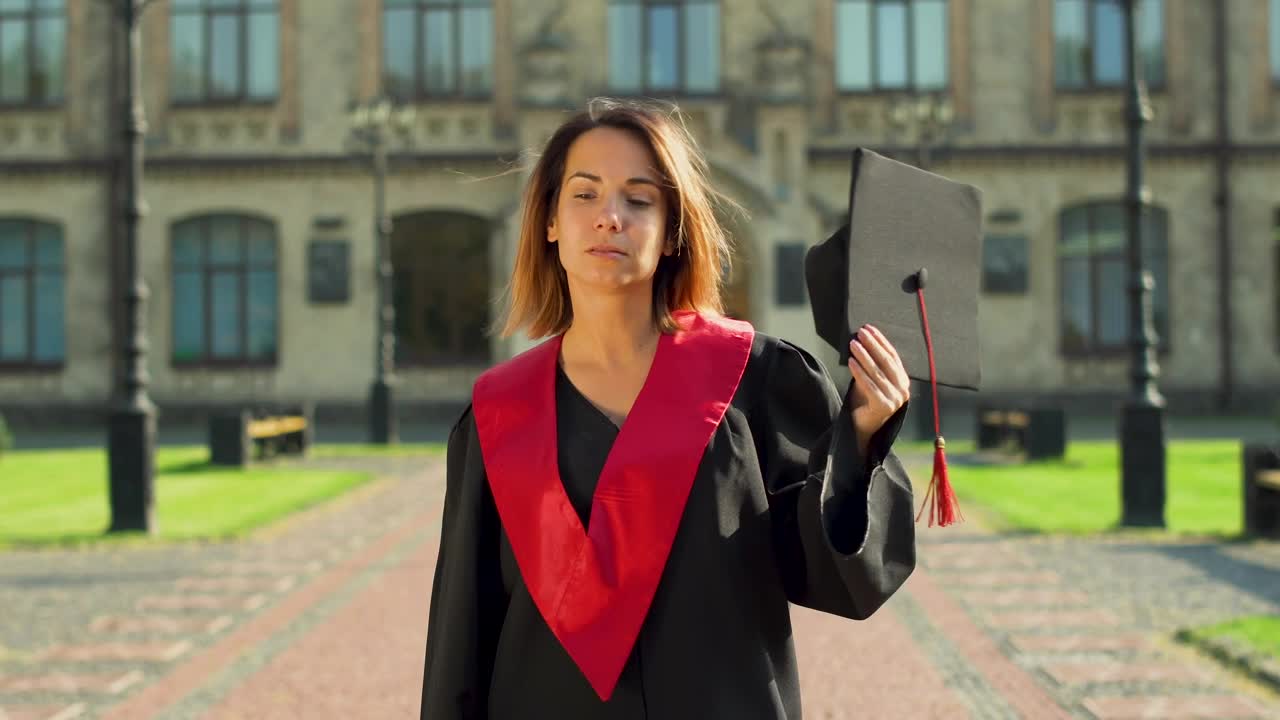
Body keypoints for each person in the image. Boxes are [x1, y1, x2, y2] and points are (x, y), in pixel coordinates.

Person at [419, 98, 917, 720]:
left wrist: (860, 439)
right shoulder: (500, 414)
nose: (610, 217)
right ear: (548, 219)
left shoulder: (753, 378)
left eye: (639, 198)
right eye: (584, 194)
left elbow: (826, 574)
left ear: (674, 231)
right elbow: (464, 633)